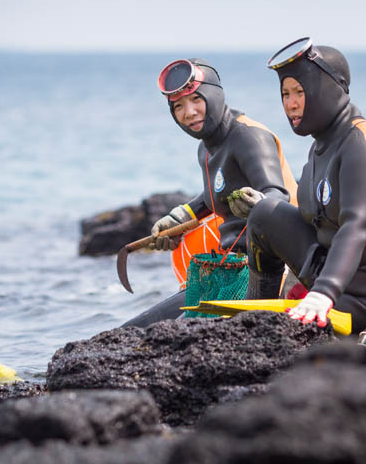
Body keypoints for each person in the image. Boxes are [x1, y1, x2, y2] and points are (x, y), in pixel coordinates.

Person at [243, 37, 366, 335]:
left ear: (328, 89)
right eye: (285, 93)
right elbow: (313, 220)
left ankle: (307, 304)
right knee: (265, 214)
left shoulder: (364, 145)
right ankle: (255, 309)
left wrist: (322, 293)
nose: (291, 103)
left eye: (301, 92)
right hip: (335, 271)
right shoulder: (321, 146)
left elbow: (355, 226)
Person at [121, 57, 297, 327]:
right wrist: (181, 216)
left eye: (195, 100)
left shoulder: (248, 135)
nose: (188, 112)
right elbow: (216, 192)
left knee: (171, 337)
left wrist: (258, 204)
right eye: (178, 106)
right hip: (229, 270)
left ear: (214, 95)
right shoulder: (206, 147)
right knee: (133, 331)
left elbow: (277, 195)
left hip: (273, 272)